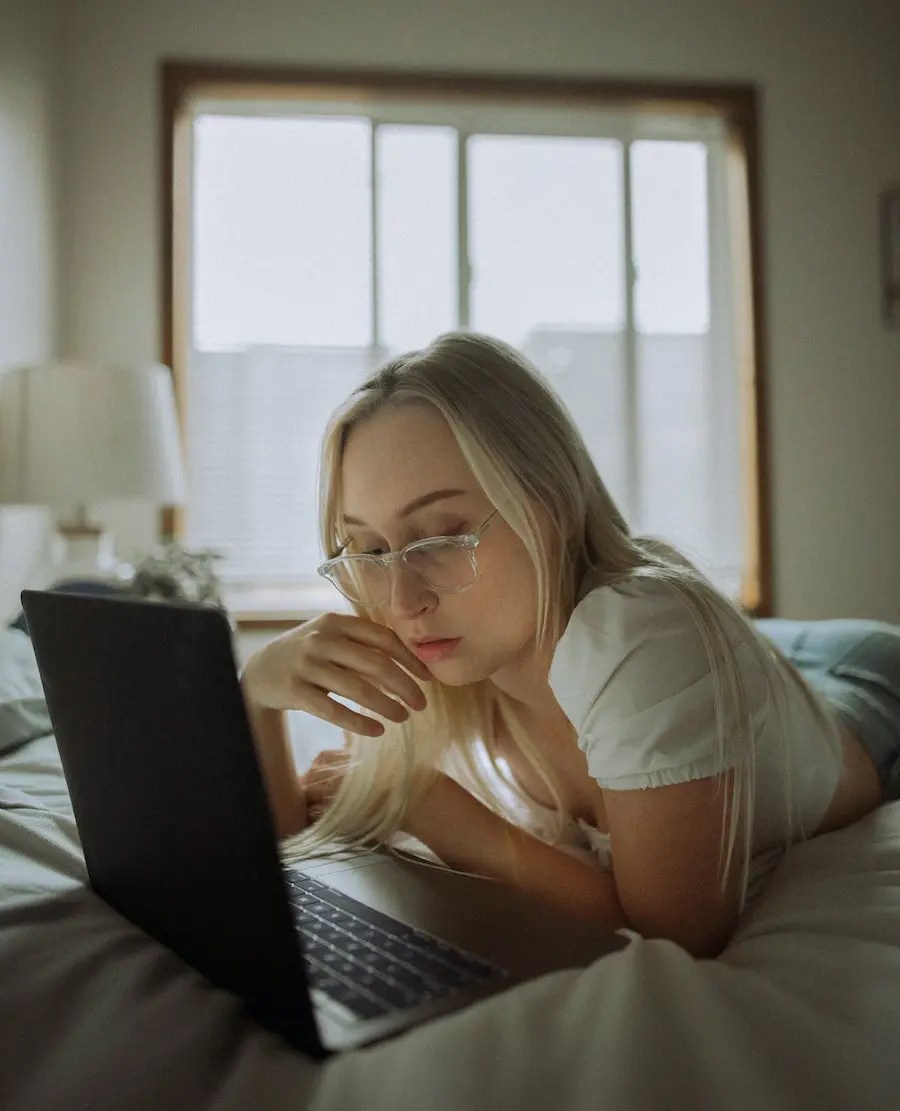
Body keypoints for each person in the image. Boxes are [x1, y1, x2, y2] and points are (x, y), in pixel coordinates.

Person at [240, 332, 896, 959]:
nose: (401, 598)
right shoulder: (428, 637)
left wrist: (436, 809)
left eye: (441, 536)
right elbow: (299, 846)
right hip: (741, 670)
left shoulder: (640, 634)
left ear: (549, 505)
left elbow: (678, 933)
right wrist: (257, 698)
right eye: (373, 550)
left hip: (863, 682)